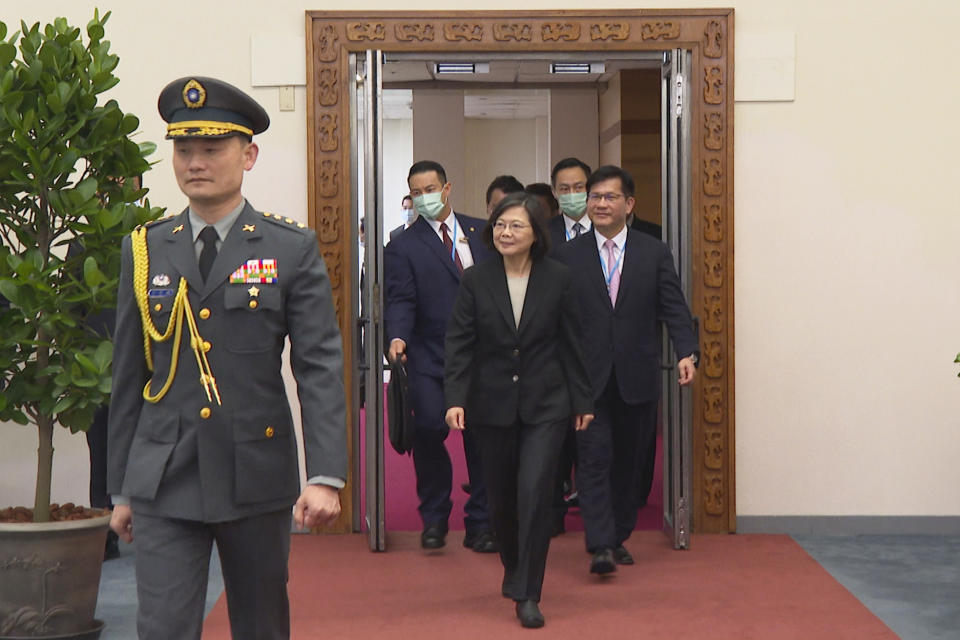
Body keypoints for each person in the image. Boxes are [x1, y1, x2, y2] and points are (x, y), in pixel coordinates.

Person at [107, 76, 347, 640]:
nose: (195, 162)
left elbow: (317, 365)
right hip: (164, 473)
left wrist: (326, 474)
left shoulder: (290, 248)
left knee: (261, 624)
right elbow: (128, 374)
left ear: (249, 155)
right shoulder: (144, 248)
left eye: (212, 149)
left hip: (254, 471)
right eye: (184, 150)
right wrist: (119, 487)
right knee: (162, 626)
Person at [444, 193, 593, 628]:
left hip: (546, 403)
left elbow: (573, 343)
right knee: (502, 501)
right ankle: (514, 565)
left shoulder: (558, 278)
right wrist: (455, 397)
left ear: (535, 234)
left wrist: (582, 399)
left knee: (534, 495)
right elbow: (459, 343)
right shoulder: (475, 280)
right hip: (490, 405)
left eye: (516, 226)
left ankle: (528, 591)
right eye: (500, 225)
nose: (506, 233)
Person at [555, 165, 699, 576]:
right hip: (587, 378)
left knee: (629, 465)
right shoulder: (567, 256)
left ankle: (617, 535)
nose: (600, 203)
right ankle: (600, 544)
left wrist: (687, 352)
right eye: (594, 196)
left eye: (609, 197)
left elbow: (673, 306)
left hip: (637, 375)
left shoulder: (653, 251)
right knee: (593, 459)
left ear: (629, 204)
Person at [384, 160, 496, 553]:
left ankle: (481, 522)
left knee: (483, 441)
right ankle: (434, 517)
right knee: (430, 430)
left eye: (430, 189)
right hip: (431, 357)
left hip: (483, 358)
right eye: (416, 193)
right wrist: (396, 337)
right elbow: (400, 298)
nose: (424, 198)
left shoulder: (482, 233)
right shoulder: (402, 245)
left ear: (446, 188)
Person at [548, 157, 593, 249]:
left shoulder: (605, 227)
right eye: (564, 189)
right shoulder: (544, 232)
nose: (572, 193)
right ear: (554, 192)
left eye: (579, 187)